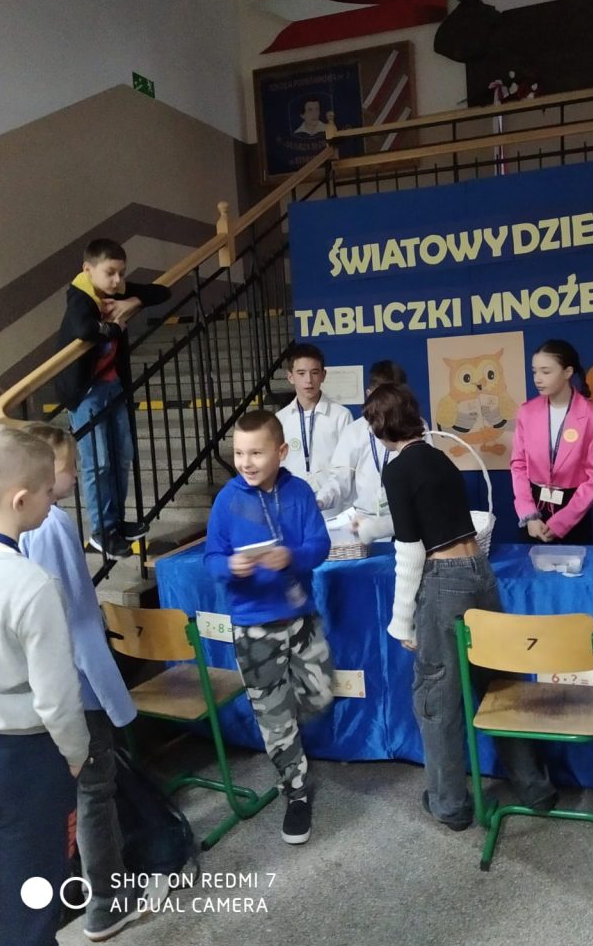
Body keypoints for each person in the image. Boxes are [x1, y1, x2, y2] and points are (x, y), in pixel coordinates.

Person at [363, 383, 556, 831]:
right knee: (498, 685)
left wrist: (401, 622)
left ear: (379, 427)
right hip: (479, 573)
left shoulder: (397, 469)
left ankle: (449, 803)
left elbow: (410, 550)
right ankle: (535, 786)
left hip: (444, 580)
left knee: (438, 695)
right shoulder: (439, 458)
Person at [19, 423, 153, 943]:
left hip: (38, 689)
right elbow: (77, 619)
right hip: (75, 686)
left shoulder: (15, 526)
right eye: (69, 466)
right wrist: (112, 697)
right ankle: (107, 903)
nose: (76, 475)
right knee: (95, 791)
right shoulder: (50, 524)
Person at [204, 410, 334, 845]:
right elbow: (211, 558)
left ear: (281, 452)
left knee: (320, 695)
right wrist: (229, 567)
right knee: (273, 716)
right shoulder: (227, 501)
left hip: (301, 617)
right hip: (252, 626)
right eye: (239, 453)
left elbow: (320, 545)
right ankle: (295, 791)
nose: (246, 462)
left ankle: (285, 728)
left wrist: (292, 556)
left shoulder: (299, 493)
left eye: (256, 453)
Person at [0, 424, 89, 946]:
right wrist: (75, 753)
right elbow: (57, 697)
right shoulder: (31, 584)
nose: (54, 502)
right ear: (21, 499)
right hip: (25, 757)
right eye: (49, 492)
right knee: (31, 899)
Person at [55, 238, 171, 560]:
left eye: (122, 273)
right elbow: (85, 329)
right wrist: (115, 327)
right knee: (99, 461)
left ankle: (117, 523)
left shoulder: (117, 290)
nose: (117, 280)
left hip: (113, 386)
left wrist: (131, 301)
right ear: (87, 269)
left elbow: (162, 292)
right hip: (86, 392)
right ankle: (101, 531)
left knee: (122, 455)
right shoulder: (80, 296)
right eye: (110, 273)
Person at [510, 339, 593, 544]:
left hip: (574, 510)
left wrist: (563, 522)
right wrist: (528, 514)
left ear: (567, 372)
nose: (538, 379)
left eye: (546, 372)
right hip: (534, 509)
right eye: (534, 371)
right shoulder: (527, 412)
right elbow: (518, 464)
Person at [318, 359, 408, 539]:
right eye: (381, 397)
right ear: (369, 395)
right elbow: (340, 478)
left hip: (406, 521)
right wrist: (320, 501)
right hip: (365, 524)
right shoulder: (355, 431)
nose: (387, 404)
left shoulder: (415, 426)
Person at [276, 344, 351, 517]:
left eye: (314, 373)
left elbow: (345, 470)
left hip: (333, 513)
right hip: (293, 511)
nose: (308, 380)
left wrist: (322, 500)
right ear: (290, 377)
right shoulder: (280, 419)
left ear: (323, 375)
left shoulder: (340, 416)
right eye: (301, 373)